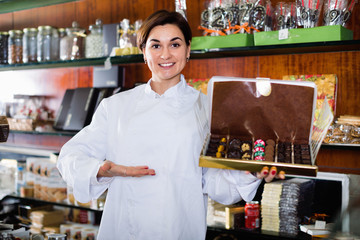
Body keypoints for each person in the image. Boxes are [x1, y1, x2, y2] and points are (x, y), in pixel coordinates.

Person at [57, 9, 285, 240]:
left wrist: (249, 173)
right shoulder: (115, 106)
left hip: (180, 228)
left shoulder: (207, 109)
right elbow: (69, 157)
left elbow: (215, 182)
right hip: (124, 228)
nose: (165, 54)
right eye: (155, 46)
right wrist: (102, 169)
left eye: (175, 45)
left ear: (188, 50)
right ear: (143, 52)